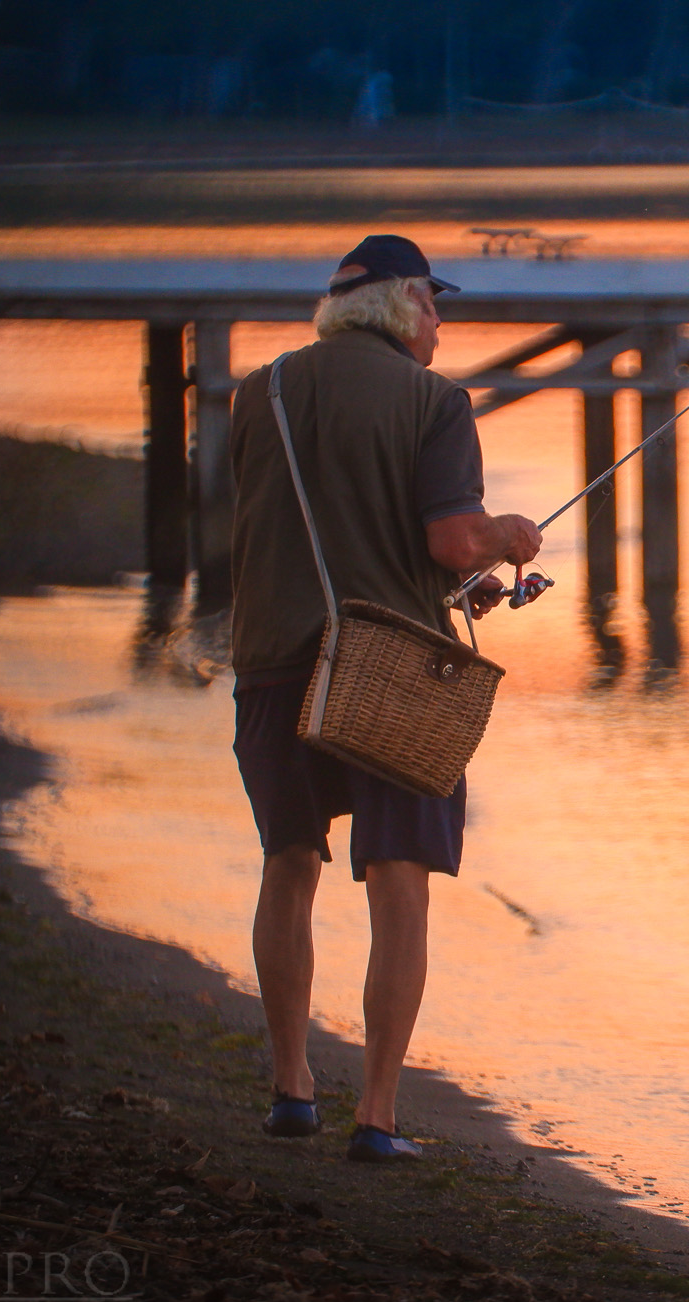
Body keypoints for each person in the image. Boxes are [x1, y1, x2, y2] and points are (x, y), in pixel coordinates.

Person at [225, 234, 542, 1163]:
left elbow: (310, 523)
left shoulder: (260, 393)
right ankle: (378, 1112)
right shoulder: (434, 401)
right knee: (398, 882)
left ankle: (291, 1089)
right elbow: (451, 539)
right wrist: (507, 537)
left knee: (289, 860)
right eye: (435, 307)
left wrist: (447, 574)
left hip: (273, 660)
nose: (442, 327)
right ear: (403, 306)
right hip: (387, 672)